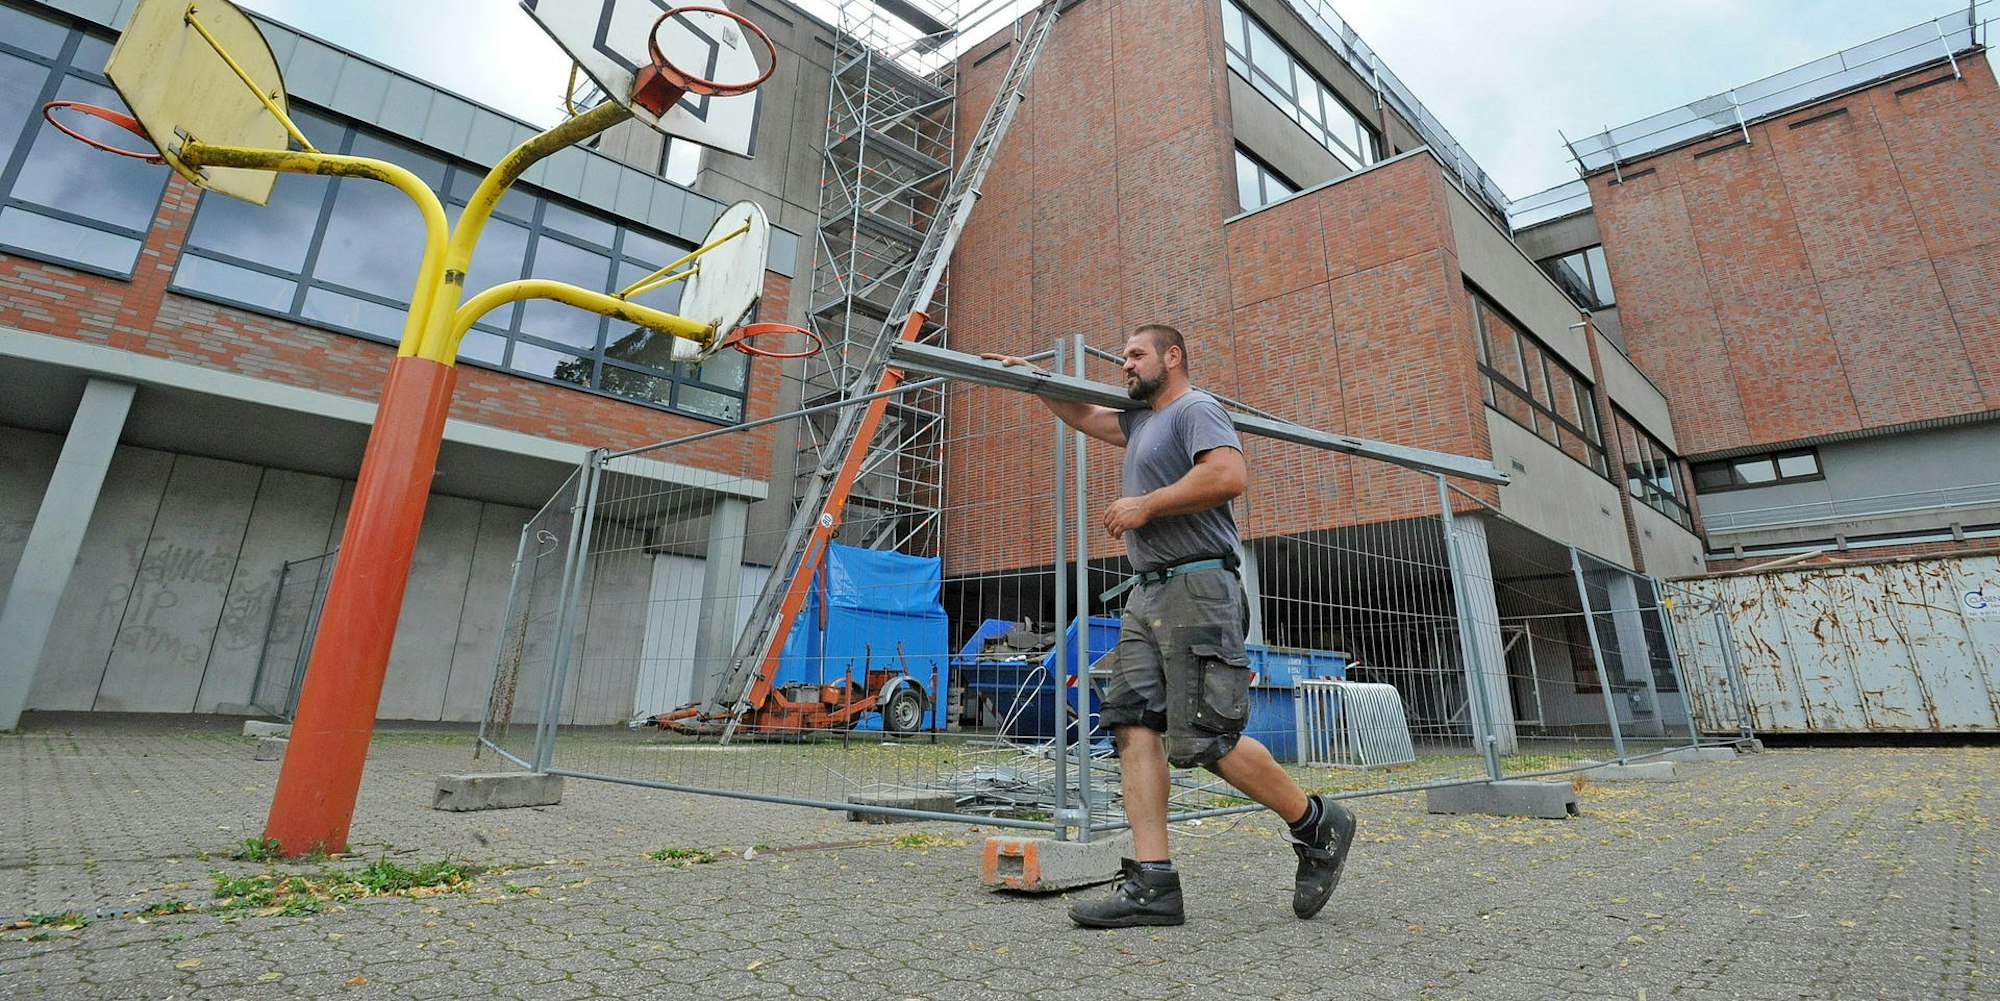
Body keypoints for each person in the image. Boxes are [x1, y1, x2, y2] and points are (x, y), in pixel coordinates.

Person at [982, 324, 1356, 927]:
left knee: (1205, 740)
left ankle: (1316, 822)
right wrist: (1030, 378)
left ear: (1172, 357)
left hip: (1199, 585)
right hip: (1147, 593)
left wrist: (1146, 504)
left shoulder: (1194, 408)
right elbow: (1081, 414)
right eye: (1124, 356)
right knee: (1131, 725)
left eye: (1135, 355)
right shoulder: (1140, 421)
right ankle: (1153, 884)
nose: (1124, 365)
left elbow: (1228, 476)